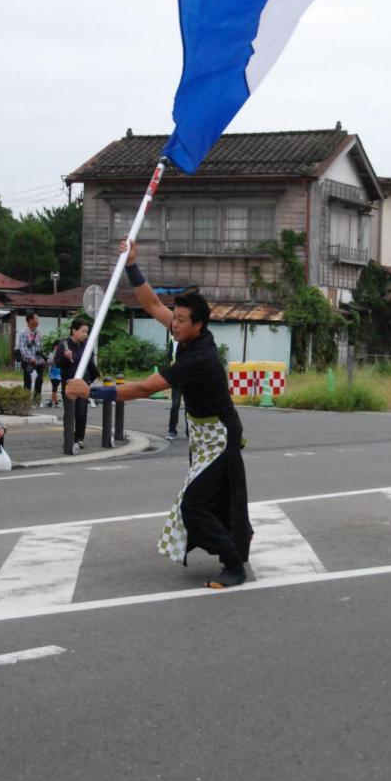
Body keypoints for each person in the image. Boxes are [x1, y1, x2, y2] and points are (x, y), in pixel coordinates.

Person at [66, 241, 252, 589]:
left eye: (181, 320)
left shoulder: (199, 358)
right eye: (175, 318)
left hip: (220, 436)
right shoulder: (188, 335)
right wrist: (132, 265)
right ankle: (234, 549)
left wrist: (91, 391)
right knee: (209, 498)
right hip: (203, 435)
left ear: (198, 324)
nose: (174, 324)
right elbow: (152, 304)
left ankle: (234, 565)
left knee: (194, 504)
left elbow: (144, 388)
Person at [54, 318, 99, 452]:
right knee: (70, 412)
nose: (85, 334)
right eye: (83, 331)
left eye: (87, 332)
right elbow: (57, 363)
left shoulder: (86, 345)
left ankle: (79, 438)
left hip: (84, 383)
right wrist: (65, 358)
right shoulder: (64, 345)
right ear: (74, 330)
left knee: (81, 412)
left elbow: (90, 363)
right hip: (69, 383)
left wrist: (93, 376)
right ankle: (68, 439)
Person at [16, 311, 46, 402]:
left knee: (40, 380)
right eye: (36, 318)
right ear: (30, 320)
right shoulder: (23, 332)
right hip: (27, 361)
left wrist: (43, 358)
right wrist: (30, 358)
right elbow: (22, 348)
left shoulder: (38, 333)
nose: (38, 320)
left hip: (38, 360)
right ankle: (26, 400)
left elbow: (40, 347)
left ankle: (36, 400)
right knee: (28, 380)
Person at [166, 337, 188, 440]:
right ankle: (172, 430)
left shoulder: (192, 338)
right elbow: (170, 358)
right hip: (177, 377)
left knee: (190, 406)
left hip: (189, 378)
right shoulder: (173, 339)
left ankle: (190, 430)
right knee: (175, 405)